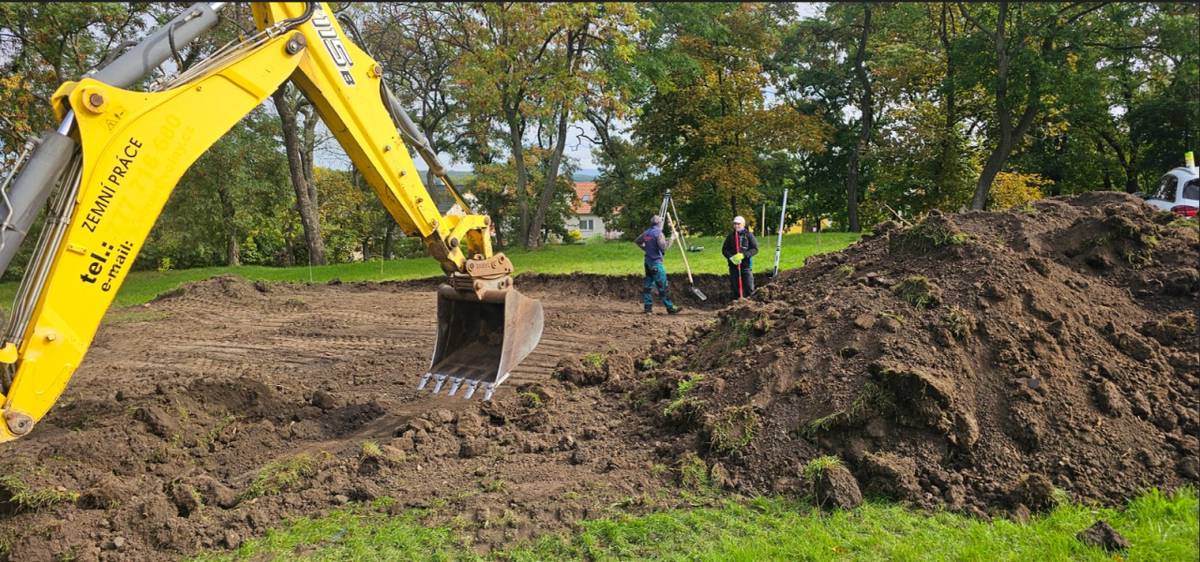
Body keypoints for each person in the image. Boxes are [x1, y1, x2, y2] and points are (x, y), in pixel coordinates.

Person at [635, 215, 682, 315]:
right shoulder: (658, 233)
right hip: (656, 264)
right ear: (660, 223)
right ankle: (670, 308)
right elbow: (664, 248)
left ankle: (648, 309)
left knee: (648, 286)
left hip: (647, 262)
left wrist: (645, 248)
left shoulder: (646, 233)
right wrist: (673, 238)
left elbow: (637, 241)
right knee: (663, 286)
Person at [722, 215, 758, 300]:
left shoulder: (749, 235)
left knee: (749, 286)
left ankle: (750, 302)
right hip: (733, 266)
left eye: (738, 224)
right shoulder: (730, 236)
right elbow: (724, 249)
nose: (736, 226)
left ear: (743, 224)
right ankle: (736, 303)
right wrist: (731, 257)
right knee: (735, 287)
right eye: (735, 224)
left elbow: (755, 249)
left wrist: (744, 255)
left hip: (746, 266)